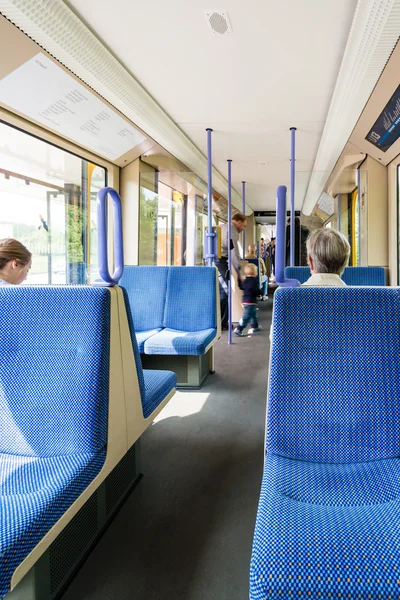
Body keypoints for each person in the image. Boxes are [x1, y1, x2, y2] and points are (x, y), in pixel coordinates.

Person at [216, 213, 247, 330]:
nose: (243, 229)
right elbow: (233, 252)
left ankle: (221, 322)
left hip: (216, 260)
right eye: (243, 226)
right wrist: (239, 272)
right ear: (238, 222)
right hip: (220, 261)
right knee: (225, 291)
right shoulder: (232, 230)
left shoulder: (223, 227)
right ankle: (223, 323)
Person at [234, 263, 261, 336]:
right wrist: (260, 292)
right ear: (255, 272)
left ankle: (255, 326)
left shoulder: (245, 281)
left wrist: (239, 281)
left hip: (245, 301)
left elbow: (241, 287)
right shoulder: (254, 281)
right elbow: (256, 290)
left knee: (253, 314)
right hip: (251, 301)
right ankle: (239, 329)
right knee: (246, 316)